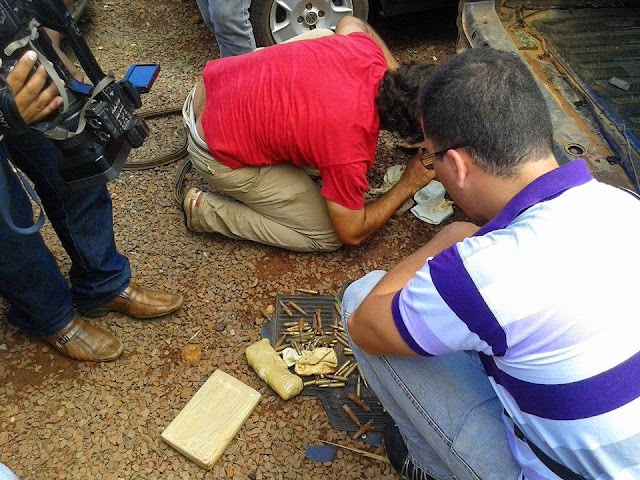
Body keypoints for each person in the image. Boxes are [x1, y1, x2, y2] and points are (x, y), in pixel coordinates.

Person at [342, 47, 640, 480]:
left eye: (430, 157)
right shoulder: (624, 203)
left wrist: (445, 239)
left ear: (458, 165)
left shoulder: (481, 271)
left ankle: (425, 467)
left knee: (359, 296)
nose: (432, 168)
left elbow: (365, 325)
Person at [181, 16, 435, 252]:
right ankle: (208, 212)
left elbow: (352, 21)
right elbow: (352, 232)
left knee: (326, 34)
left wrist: (405, 84)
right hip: (210, 148)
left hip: (215, 83)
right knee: (328, 235)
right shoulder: (349, 149)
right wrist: (407, 184)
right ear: (406, 133)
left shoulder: (366, 52)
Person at [0, 51, 183, 363]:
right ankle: (50, 315)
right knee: (7, 223)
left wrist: (51, 50)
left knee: (74, 167)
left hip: (18, 69)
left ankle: (103, 283)